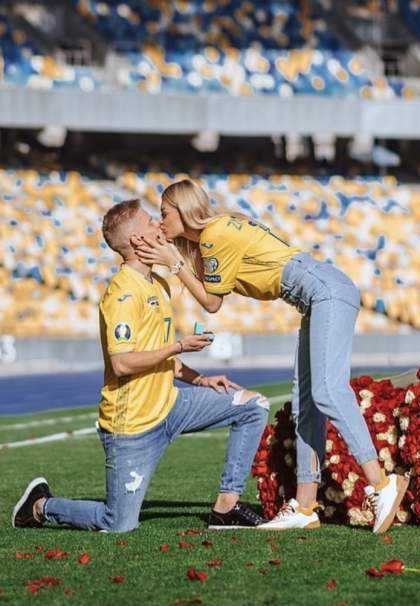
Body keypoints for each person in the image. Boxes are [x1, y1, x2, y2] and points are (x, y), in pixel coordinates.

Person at [131, 179, 409, 534]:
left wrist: (173, 263)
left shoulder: (215, 233)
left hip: (323, 291)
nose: (161, 218)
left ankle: (382, 485)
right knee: (306, 403)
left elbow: (212, 303)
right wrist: (169, 254)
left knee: (327, 390)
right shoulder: (214, 233)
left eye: (164, 212)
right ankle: (306, 507)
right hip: (317, 294)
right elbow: (207, 284)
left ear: (183, 209)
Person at [11, 199, 270, 533]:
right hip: (132, 426)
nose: (158, 225)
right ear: (136, 241)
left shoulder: (157, 284)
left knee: (253, 405)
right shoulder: (121, 293)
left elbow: (162, 358)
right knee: (118, 523)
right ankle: (40, 506)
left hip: (172, 404)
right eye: (151, 222)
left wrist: (201, 379)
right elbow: (121, 363)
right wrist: (178, 345)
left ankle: (226, 508)